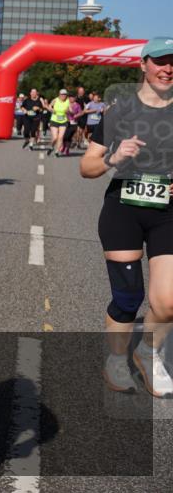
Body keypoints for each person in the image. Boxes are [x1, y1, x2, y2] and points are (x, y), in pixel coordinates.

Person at [80, 36, 173, 398]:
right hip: (124, 211)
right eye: (160, 61)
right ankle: (117, 360)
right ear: (144, 65)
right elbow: (87, 167)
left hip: (167, 213)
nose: (168, 69)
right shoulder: (120, 112)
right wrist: (114, 160)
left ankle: (149, 353)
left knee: (167, 300)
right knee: (127, 298)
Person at [48, 88, 70, 156]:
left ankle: (57, 151)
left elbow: (70, 110)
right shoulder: (55, 100)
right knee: (55, 138)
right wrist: (52, 110)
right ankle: (51, 147)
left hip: (63, 121)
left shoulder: (68, 101)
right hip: (54, 120)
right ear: (59, 95)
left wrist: (68, 111)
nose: (63, 96)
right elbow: (49, 106)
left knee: (61, 137)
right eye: (62, 94)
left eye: (65, 94)